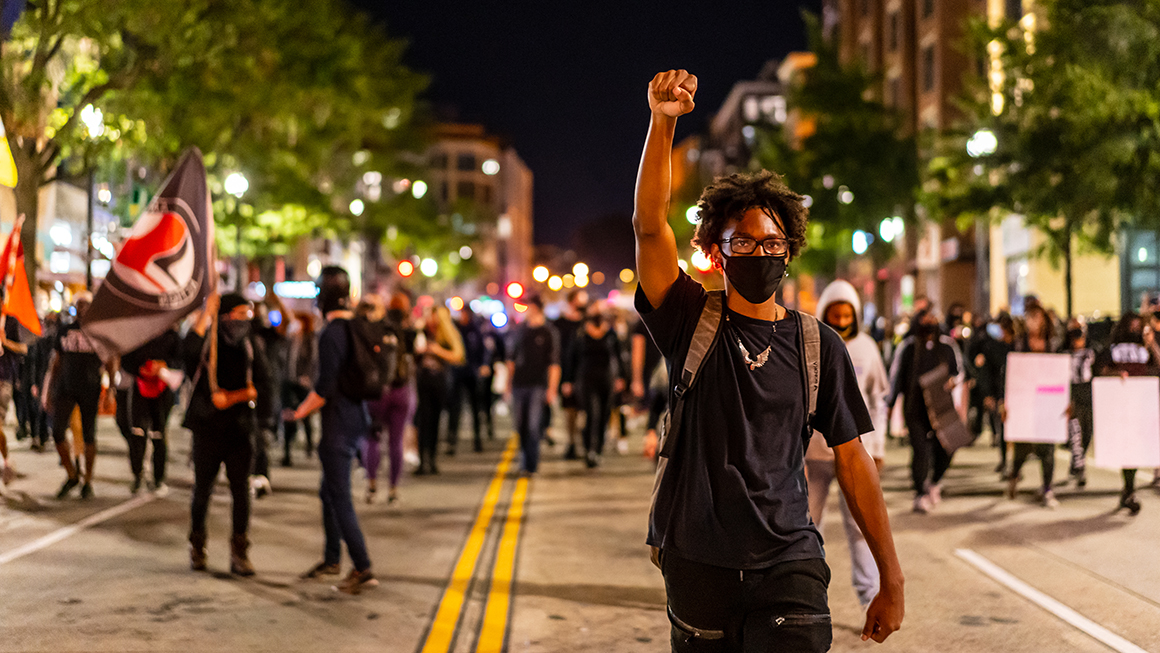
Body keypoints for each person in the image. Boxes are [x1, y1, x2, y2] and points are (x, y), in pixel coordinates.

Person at [634, 69, 903, 650]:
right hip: (698, 561)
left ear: (791, 249)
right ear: (715, 252)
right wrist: (662, 124)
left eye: (773, 243)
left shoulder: (818, 346)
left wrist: (891, 575)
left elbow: (855, 462)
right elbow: (649, 227)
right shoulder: (690, 320)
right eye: (745, 243)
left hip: (790, 561)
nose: (762, 253)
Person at [293, 266, 379, 593]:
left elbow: (325, 388)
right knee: (327, 490)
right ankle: (331, 558)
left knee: (339, 495)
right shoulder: (356, 326)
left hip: (339, 424)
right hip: (358, 417)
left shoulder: (331, 333)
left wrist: (299, 411)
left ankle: (362, 565)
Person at [807, 280, 889, 609]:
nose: (840, 321)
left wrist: (878, 447)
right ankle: (808, 593)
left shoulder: (868, 348)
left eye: (846, 314)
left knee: (860, 525)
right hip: (812, 453)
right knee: (807, 526)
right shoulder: (812, 344)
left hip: (857, 452)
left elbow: (879, 400)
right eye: (834, 314)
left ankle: (869, 594)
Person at [183, 292, 271, 575]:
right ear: (224, 317)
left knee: (240, 492)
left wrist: (243, 401)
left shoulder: (250, 346)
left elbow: (264, 383)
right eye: (239, 315)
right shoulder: (209, 341)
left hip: (240, 430)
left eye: (248, 315)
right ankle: (197, 546)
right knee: (202, 491)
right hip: (207, 428)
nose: (245, 320)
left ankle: (239, 551)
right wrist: (205, 314)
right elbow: (187, 352)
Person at [888, 308, 961, 513]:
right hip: (915, 409)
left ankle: (935, 481)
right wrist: (890, 405)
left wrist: (953, 383)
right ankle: (920, 492)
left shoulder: (948, 346)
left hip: (941, 408)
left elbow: (959, 373)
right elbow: (896, 378)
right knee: (920, 451)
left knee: (947, 448)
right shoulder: (908, 347)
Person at [1095, 312, 1157, 515]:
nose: (1135, 329)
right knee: (1128, 447)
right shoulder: (1113, 349)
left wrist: (1152, 344)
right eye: (1133, 325)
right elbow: (1101, 369)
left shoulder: (1145, 348)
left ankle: (1128, 491)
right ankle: (1129, 491)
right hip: (1122, 404)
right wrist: (1116, 375)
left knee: (1136, 448)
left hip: (1142, 403)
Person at [47, 293, 106, 500]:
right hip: (66, 387)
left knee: (89, 435)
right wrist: (48, 391)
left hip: (90, 388)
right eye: (80, 304)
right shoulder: (65, 330)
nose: (83, 308)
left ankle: (88, 480)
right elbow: (56, 362)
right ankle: (72, 474)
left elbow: (110, 358)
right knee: (57, 432)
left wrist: (112, 389)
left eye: (86, 305)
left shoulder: (99, 331)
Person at [364, 290, 417, 504]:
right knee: (396, 442)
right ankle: (393, 488)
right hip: (401, 390)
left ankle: (372, 485)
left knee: (372, 438)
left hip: (378, 391)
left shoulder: (376, 330)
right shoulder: (410, 332)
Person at [1006, 304, 1061, 508]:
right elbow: (1011, 371)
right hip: (1024, 401)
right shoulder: (1020, 342)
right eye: (1029, 316)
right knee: (1023, 445)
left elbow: (1061, 374)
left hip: (1047, 401)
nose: (1032, 320)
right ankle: (1014, 474)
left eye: (1036, 316)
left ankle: (1048, 488)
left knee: (1047, 446)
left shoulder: (1052, 343)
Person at [120, 328, 182, 495]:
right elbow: (125, 358)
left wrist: (164, 365)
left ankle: (158, 477)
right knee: (137, 432)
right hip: (139, 387)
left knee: (159, 434)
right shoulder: (137, 333)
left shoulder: (171, 335)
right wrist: (139, 368)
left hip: (162, 389)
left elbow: (181, 360)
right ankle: (137, 474)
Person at [505, 294, 560, 475]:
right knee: (520, 425)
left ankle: (531, 463)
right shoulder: (521, 331)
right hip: (520, 383)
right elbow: (511, 360)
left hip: (538, 384)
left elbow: (554, 364)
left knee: (533, 425)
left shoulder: (548, 332)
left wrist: (552, 389)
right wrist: (507, 385)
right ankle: (523, 460)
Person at [563, 311, 625, 468]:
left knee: (604, 414)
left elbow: (619, 356)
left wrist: (621, 377)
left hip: (606, 380)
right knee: (592, 413)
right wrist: (568, 380)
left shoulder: (611, 335)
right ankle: (589, 448)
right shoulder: (581, 336)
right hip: (585, 380)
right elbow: (571, 358)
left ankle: (598, 448)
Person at [413, 305, 465, 475]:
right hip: (423, 379)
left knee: (435, 420)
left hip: (439, 380)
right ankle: (422, 460)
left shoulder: (447, 334)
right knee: (422, 420)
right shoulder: (422, 331)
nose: (431, 319)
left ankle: (432, 459)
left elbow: (458, 356)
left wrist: (438, 351)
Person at [446, 306, 486, 455]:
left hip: (472, 374)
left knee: (476, 409)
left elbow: (482, 350)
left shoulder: (475, 331)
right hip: (458, 373)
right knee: (455, 409)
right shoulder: (456, 330)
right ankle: (452, 440)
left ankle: (477, 439)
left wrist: (481, 366)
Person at [553, 289, 588, 457]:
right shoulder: (560, 324)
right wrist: (565, 378)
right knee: (569, 411)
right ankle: (572, 443)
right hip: (567, 372)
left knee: (586, 412)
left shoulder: (587, 324)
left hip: (586, 373)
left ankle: (586, 444)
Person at [282, 310, 318, 466]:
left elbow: (313, 359)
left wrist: (307, 376)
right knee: (288, 415)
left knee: (305, 414)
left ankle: (309, 445)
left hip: (302, 383)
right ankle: (287, 451)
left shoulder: (310, 339)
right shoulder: (291, 339)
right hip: (288, 381)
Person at [1065, 319, 1095, 488]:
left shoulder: (1092, 353)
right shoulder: (1064, 354)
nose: (1078, 341)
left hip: (1088, 394)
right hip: (1073, 394)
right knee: (1075, 433)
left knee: (1088, 432)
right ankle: (1080, 468)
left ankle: (1076, 462)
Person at [0, 317, 27, 485]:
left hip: (3, 380)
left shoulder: (10, 322)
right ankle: (7, 460)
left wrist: (5, 341)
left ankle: (7, 461)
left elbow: (23, 348)